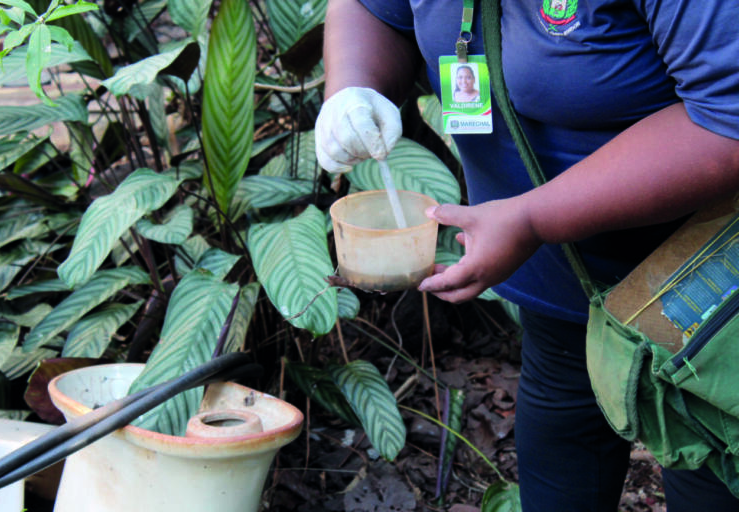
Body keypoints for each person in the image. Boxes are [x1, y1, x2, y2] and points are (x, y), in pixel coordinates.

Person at [314, 1, 739, 511]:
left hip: (710, 310)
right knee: (560, 467)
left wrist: (533, 219)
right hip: (563, 306)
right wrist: (354, 88)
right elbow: (373, 8)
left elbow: (727, 121)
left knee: (711, 481)